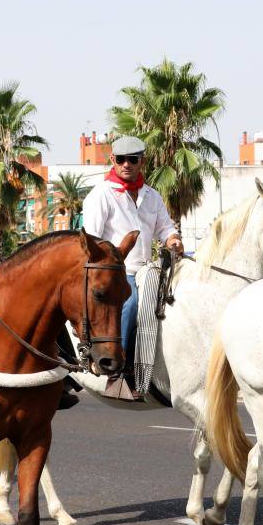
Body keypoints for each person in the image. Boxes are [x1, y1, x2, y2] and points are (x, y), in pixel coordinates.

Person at [82, 135, 183, 400]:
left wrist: (173, 240)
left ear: (142, 162)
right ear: (113, 160)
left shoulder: (152, 196)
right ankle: (118, 373)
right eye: (121, 159)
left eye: (133, 159)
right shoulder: (100, 195)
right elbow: (91, 239)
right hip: (115, 273)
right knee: (131, 302)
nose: (127, 164)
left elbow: (166, 228)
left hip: (148, 270)